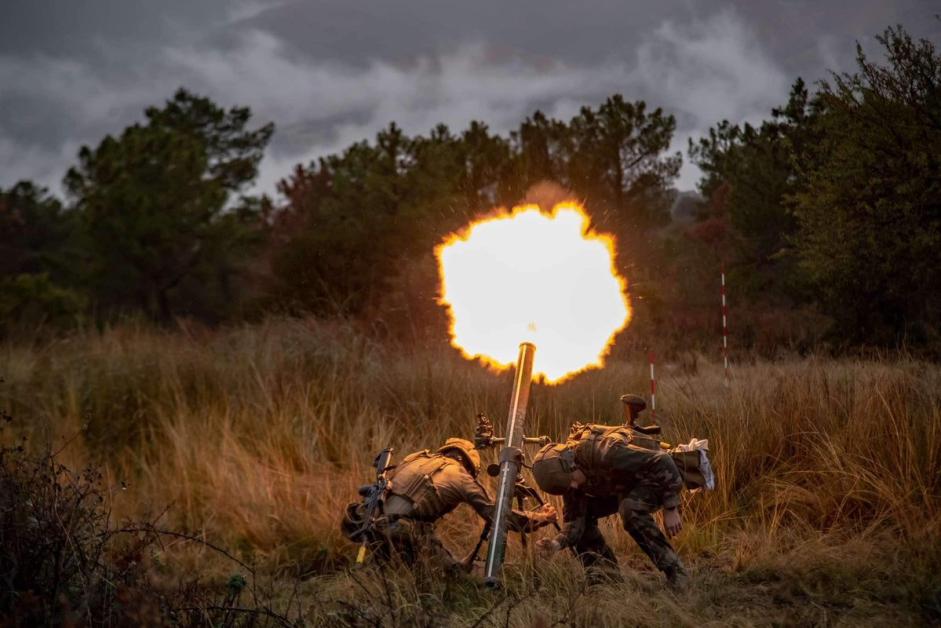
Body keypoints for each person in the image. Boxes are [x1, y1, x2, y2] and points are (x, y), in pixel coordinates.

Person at [342, 437, 556, 572]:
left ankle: (378, 577)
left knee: (394, 568)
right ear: (470, 465)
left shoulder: (414, 459)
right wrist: (541, 518)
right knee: (452, 576)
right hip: (406, 529)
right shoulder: (462, 476)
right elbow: (498, 515)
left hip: (370, 521)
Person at [531, 410, 690, 588]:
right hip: (621, 487)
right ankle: (605, 577)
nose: (574, 487)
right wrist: (555, 544)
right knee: (584, 519)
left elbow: (662, 461)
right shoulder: (569, 480)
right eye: (568, 487)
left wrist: (671, 507)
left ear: (571, 463)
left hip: (656, 477)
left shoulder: (606, 452)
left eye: (572, 481)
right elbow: (575, 523)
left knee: (630, 509)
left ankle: (676, 572)